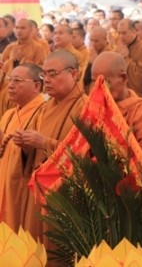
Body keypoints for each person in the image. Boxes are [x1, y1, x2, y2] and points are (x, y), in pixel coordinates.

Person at [15, 50, 87, 240]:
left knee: (56, 249)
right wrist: (26, 144)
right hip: (38, 189)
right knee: (35, 245)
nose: (46, 79)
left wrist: (44, 142)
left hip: (65, 194)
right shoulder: (46, 107)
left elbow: (85, 154)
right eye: (43, 74)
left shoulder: (85, 107)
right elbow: (34, 152)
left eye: (52, 74)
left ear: (73, 74)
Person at [91, 51, 142, 176]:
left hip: (132, 190)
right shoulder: (94, 108)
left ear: (124, 78)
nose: (98, 88)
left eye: (104, 82)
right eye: (94, 82)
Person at [0, 64, 45, 235]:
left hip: (23, 190)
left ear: (36, 86)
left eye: (17, 81)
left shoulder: (43, 112)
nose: (10, 85)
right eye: (9, 79)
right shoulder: (9, 114)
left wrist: (26, 146)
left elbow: (40, 155)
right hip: (5, 184)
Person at [116, 19, 142, 98]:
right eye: (119, 33)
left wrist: (126, 59)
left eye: (124, 33)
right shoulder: (119, 48)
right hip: (121, 95)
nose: (120, 36)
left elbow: (140, 78)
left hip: (138, 96)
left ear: (133, 32)